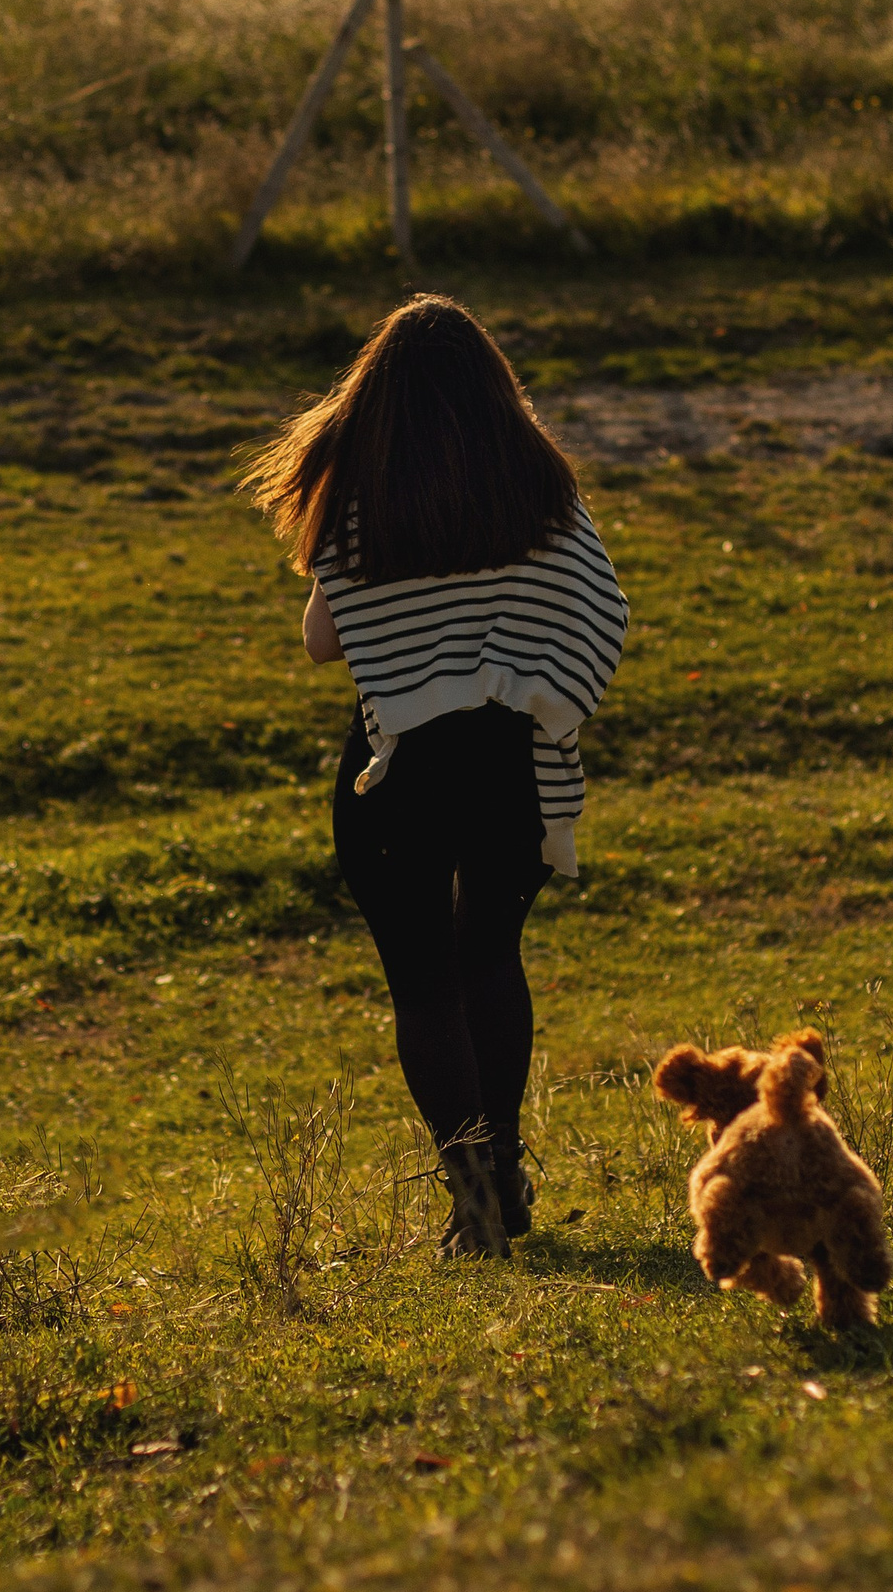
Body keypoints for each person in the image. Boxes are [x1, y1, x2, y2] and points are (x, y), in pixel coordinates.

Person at [244, 293, 629, 1259]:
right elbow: (602, 610)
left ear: (375, 399)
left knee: (423, 984)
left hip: (397, 770)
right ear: (497, 391)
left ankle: (478, 1202)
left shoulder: (362, 501)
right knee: (491, 956)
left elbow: (323, 643)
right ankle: (510, 1168)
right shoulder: (542, 494)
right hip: (514, 763)